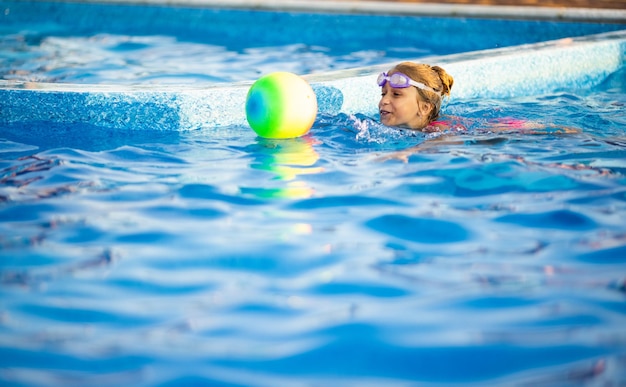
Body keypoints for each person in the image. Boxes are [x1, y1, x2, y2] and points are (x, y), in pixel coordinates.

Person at [377, 62, 454, 131]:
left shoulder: (440, 131)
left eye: (396, 94)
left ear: (424, 108)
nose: (384, 101)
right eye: (383, 94)